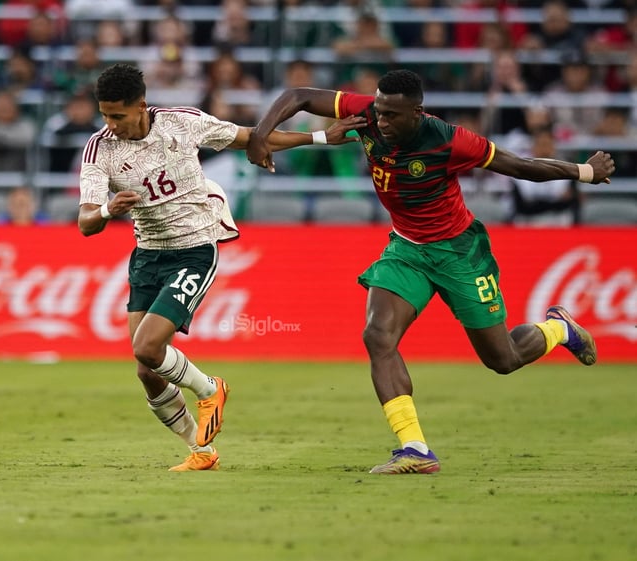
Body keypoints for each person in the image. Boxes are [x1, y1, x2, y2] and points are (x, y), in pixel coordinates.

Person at [247, 69, 615, 475]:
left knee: (503, 359)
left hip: (459, 253)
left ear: (416, 113)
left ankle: (558, 328)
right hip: (407, 248)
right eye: (379, 111)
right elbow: (298, 94)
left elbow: (520, 166)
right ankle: (414, 448)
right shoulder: (367, 112)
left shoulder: (451, 139)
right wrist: (260, 134)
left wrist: (583, 171)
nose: (380, 121)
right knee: (377, 335)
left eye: (390, 116)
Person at [78, 63, 357, 472]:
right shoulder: (100, 149)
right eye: (104, 115)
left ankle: (211, 389)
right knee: (147, 370)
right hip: (147, 255)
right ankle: (201, 450)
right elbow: (86, 221)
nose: (110, 124)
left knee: (147, 348)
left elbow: (251, 138)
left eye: (117, 116)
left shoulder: (182, 123)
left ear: (141, 106)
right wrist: (106, 208)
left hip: (194, 250)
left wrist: (317, 137)